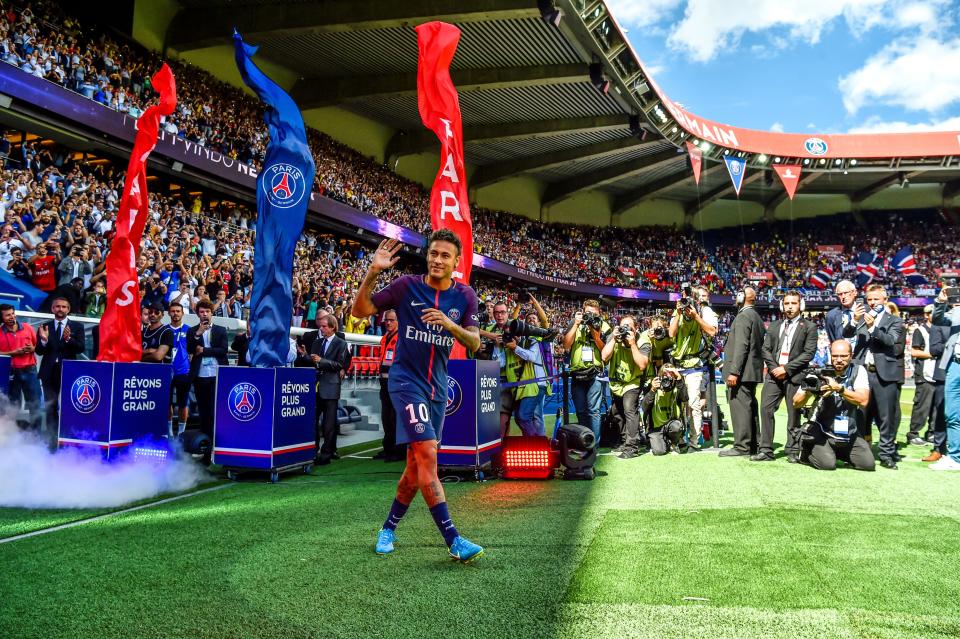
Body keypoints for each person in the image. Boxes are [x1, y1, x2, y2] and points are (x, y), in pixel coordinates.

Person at [353, 231, 483, 562]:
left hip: (437, 389)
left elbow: (474, 344)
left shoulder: (465, 296)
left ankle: (387, 529)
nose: (437, 260)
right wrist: (373, 272)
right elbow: (360, 311)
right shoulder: (406, 286)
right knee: (427, 457)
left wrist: (449, 326)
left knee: (415, 467)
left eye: (445, 256)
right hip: (405, 382)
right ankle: (453, 539)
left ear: (457, 262)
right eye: (434, 253)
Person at [793, 340, 874, 471]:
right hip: (821, 431)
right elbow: (796, 403)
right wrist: (810, 391)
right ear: (830, 355)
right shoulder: (818, 372)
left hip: (848, 432)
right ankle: (806, 450)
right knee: (827, 465)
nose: (839, 360)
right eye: (835, 356)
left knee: (867, 464)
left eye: (843, 356)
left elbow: (863, 400)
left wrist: (839, 389)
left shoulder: (858, 371)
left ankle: (836, 452)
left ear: (851, 355)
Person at [757, 292, 817, 462]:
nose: (790, 306)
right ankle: (766, 449)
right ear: (782, 305)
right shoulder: (774, 326)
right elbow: (765, 349)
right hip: (773, 376)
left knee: (794, 413)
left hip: (795, 376)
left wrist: (787, 369)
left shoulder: (809, 327)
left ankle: (792, 450)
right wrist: (775, 368)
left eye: (794, 303)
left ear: (801, 305)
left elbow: (808, 353)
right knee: (766, 409)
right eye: (787, 303)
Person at [852, 284, 904, 469]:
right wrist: (853, 320)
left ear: (885, 299)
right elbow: (847, 335)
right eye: (870, 299)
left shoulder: (895, 321)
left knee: (886, 417)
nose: (873, 303)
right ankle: (857, 452)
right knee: (859, 415)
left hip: (884, 374)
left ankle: (886, 454)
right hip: (862, 373)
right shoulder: (862, 318)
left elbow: (891, 341)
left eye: (876, 299)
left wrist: (873, 327)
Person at [668, 286, 718, 451]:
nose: (686, 299)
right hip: (678, 365)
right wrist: (678, 313)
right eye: (684, 296)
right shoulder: (679, 312)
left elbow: (712, 331)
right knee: (678, 405)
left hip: (695, 365)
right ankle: (679, 438)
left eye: (689, 297)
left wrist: (695, 316)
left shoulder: (703, 312)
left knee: (695, 405)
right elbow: (671, 333)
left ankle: (694, 442)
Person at [720, 286, 765, 457]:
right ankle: (754, 443)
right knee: (750, 407)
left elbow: (741, 346)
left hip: (741, 373)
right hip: (751, 372)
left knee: (740, 408)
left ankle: (741, 446)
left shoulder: (743, 316)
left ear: (742, 298)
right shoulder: (756, 317)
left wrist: (734, 372)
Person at [600, 314, 650, 458]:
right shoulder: (614, 336)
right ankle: (624, 441)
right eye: (624, 327)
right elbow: (604, 357)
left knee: (630, 410)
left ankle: (632, 446)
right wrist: (614, 340)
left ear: (636, 329)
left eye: (630, 328)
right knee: (617, 412)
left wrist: (632, 343)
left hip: (632, 381)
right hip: (616, 382)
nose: (626, 330)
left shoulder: (643, 341)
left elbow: (642, 364)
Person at [562, 299, 611, 441]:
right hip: (577, 373)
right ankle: (583, 442)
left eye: (594, 314)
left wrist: (596, 335)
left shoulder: (604, 326)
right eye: (588, 313)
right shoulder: (575, 322)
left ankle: (593, 446)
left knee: (594, 411)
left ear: (599, 314)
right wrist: (576, 324)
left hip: (595, 373)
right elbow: (566, 345)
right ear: (583, 312)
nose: (591, 316)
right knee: (581, 411)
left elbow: (606, 353)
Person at [35, 296, 85, 431]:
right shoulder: (44, 327)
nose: (60, 309)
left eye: (63, 307)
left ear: (68, 309)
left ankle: (67, 435)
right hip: (49, 372)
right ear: (52, 309)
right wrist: (44, 340)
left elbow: (81, 348)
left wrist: (69, 339)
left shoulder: (77, 326)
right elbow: (39, 351)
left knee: (69, 405)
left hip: (68, 371)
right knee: (50, 405)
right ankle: (52, 437)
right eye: (57, 306)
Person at [187, 299, 228, 463]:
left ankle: (217, 447)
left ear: (212, 313)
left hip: (217, 375)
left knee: (214, 412)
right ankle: (205, 449)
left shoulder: (220, 330)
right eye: (202, 312)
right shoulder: (192, 331)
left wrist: (204, 350)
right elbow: (190, 348)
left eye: (207, 312)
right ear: (198, 314)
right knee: (204, 413)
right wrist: (198, 334)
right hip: (200, 376)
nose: (204, 314)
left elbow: (223, 350)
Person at [506, 301, 553, 437]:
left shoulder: (542, 335)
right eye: (528, 319)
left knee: (533, 415)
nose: (531, 320)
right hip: (527, 383)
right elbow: (511, 323)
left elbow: (544, 319)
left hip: (538, 382)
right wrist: (519, 305)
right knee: (530, 415)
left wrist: (534, 300)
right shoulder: (524, 339)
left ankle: (538, 445)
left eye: (534, 318)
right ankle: (535, 445)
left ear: (538, 323)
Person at [311, 314, 351, 466]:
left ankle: (326, 453)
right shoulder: (317, 342)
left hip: (331, 387)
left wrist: (322, 361)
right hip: (316, 387)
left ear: (333, 327)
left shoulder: (341, 343)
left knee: (329, 424)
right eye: (320, 326)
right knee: (313, 421)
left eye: (324, 326)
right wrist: (305, 355)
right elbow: (313, 362)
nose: (321, 329)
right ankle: (313, 450)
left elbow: (339, 364)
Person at [929, 287, 960, 470]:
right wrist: (940, 302)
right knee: (952, 413)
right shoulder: (956, 313)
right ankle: (956, 457)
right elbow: (938, 319)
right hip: (955, 364)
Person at [0, 304, 42, 431]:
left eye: (12, 313)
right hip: (11, 372)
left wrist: (33, 349)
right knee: (12, 406)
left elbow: (38, 347)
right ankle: (11, 435)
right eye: (7, 315)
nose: (12, 316)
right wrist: (14, 352)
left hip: (30, 370)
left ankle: (36, 436)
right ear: (1, 318)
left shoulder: (28, 328)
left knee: (35, 404)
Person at [374, 309, 404, 462]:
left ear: (399, 321)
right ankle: (388, 448)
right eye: (387, 320)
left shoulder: (402, 338)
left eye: (392, 320)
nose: (388, 323)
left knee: (395, 417)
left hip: (397, 383)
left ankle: (398, 451)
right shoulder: (384, 338)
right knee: (386, 417)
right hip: (384, 383)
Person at [906, 305, 937, 446]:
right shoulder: (921, 330)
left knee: (937, 406)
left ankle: (932, 432)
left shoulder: (940, 329)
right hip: (924, 373)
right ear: (927, 315)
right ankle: (913, 433)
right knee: (922, 406)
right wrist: (933, 354)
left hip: (938, 373)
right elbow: (914, 352)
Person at [641, 366, 687, 455]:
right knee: (659, 451)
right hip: (656, 426)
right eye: (664, 374)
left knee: (676, 427)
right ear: (660, 376)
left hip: (672, 423)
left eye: (671, 374)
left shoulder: (677, 386)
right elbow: (644, 407)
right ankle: (664, 441)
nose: (667, 378)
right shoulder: (653, 386)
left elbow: (685, 398)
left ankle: (673, 443)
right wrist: (652, 390)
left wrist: (679, 379)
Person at [167, 301, 191, 436]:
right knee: (167, 402)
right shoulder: (164, 329)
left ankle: (181, 433)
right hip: (166, 371)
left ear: (182, 313)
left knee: (183, 403)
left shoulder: (189, 330)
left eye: (178, 311)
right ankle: (169, 432)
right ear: (169, 313)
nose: (175, 313)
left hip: (183, 372)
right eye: (173, 311)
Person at [824, 279, 859, 345]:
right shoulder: (831, 316)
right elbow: (833, 341)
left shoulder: (866, 311)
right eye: (840, 294)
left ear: (854, 292)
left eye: (846, 293)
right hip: (842, 353)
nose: (843, 296)